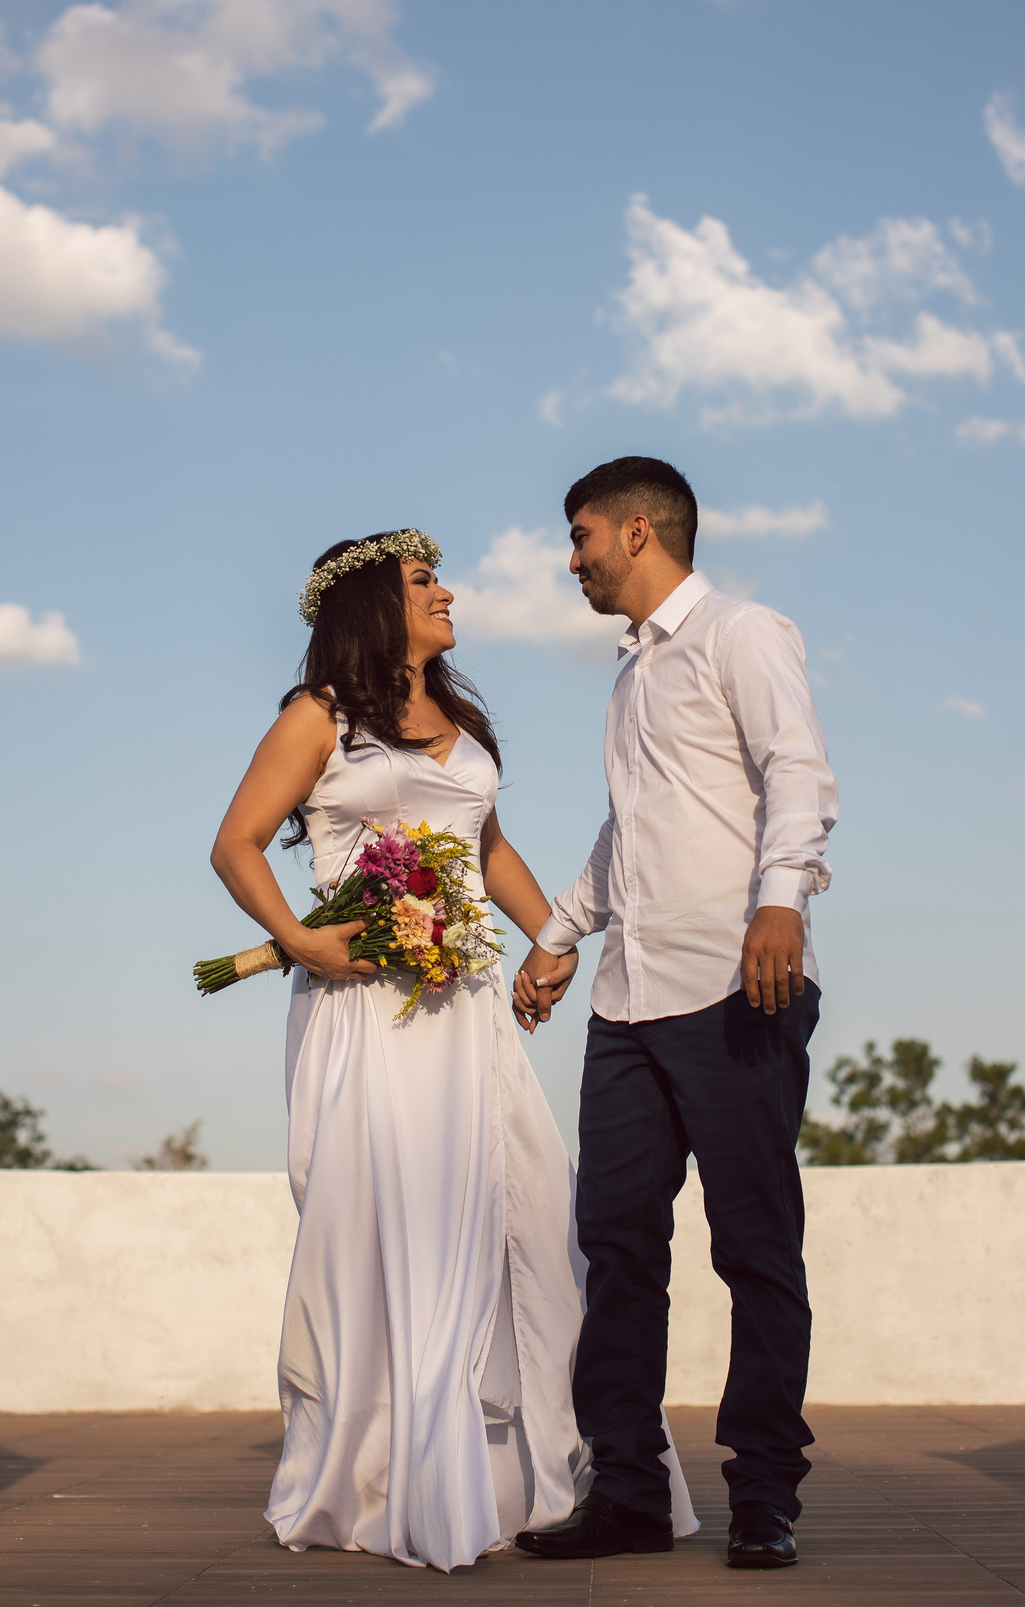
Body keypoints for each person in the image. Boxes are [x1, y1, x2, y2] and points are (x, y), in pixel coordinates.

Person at [208, 528, 697, 1572]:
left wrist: (549, 934)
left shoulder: (458, 719)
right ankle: (389, 1470)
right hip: (366, 1009)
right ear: (373, 607)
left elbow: (484, 844)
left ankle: (531, 1474)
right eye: (425, 582)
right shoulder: (319, 719)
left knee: (516, 1211)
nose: (447, 591)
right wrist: (299, 937)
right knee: (391, 1222)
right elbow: (236, 839)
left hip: (463, 1005)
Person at [511, 460, 838, 1571]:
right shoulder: (630, 676)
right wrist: (560, 935)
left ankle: (764, 1493)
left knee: (753, 1245)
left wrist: (781, 900)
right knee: (614, 1243)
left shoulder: (743, 633)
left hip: (737, 984)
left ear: (637, 531)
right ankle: (631, 1489)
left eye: (581, 535)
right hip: (627, 1001)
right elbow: (629, 831)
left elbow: (797, 768)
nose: (572, 559)